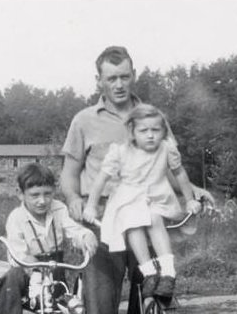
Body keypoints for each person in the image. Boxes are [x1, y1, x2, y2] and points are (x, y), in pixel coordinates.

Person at [61, 45, 214, 314]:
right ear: (98, 80)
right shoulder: (84, 120)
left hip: (146, 215)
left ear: (134, 76)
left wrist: (193, 190)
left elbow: (170, 166)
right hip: (104, 222)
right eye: (111, 78)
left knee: (158, 292)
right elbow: (69, 175)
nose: (119, 84)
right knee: (99, 313)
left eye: (124, 76)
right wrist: (74, 199)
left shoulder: (152, 116)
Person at [82, 103, 201, 298]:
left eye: (156, 130)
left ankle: (168, 273)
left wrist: (189, 200)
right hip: (128, 200)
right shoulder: (120, 151)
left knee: (153, 217)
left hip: (158, 199)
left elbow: (180, 173)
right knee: (133, 222)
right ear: (132, 132)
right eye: (144, 131)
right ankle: (149, 272)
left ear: (163, 131)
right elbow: (101, 180)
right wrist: (91, 206)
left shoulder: (166, 148)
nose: (150, 135)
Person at [0, 163, 98, 314]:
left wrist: (85, 235)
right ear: (21, 194)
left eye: (47, 194)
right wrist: (35, 272)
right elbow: (18, 253)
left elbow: (72, 229)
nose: (42, 201)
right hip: (26, 269)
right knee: (10, 280)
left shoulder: (59, 209)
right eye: (35, 195)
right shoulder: (16, 217)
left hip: (54, 267)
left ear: (54, 192)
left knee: (65, 311)